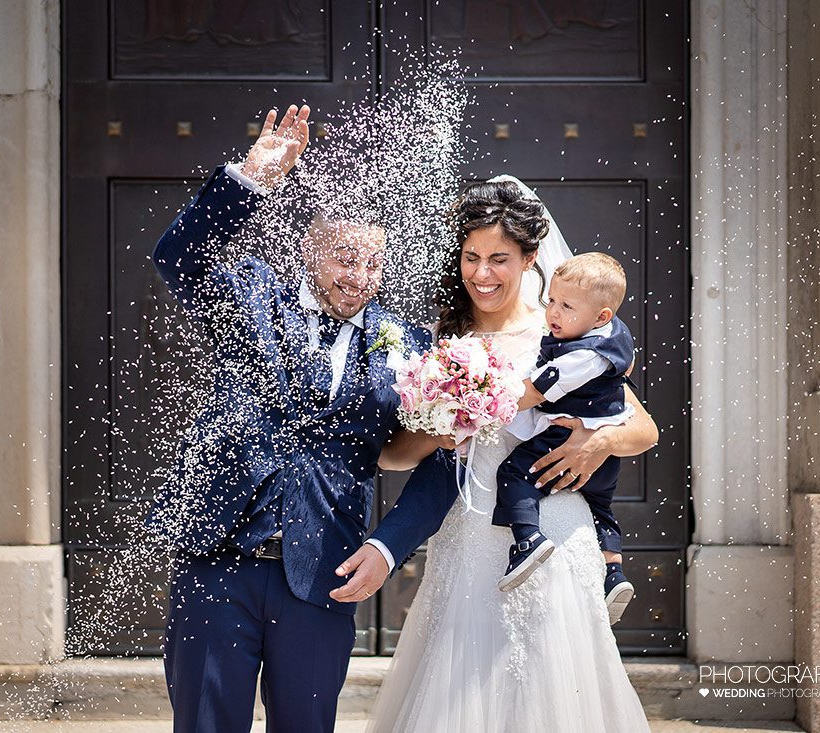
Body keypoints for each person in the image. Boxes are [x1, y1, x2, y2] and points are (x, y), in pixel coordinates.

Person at [148, 104, 455, 733]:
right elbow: (176, 257)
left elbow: (451, 457)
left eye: (373, 263)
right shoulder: (252, 296)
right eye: (345, 258)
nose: (360, 278)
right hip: (217, 560)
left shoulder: (410, 345)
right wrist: (251, 177)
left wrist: (389, 545)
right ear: (309, 247)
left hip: (324, 576)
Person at [363, 177, 657, 732]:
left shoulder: (564, 337)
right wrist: (444, 424)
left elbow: (643, 428)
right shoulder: (438, 341)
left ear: (529, 258)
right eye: (471, 258)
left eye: (499, 259)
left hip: (554, 524)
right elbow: (396, 457)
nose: (482, 274)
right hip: (468, 534)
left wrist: (596, 442)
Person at [493, 252, 638, 625]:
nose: (553, 313)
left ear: (600, 316)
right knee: (601, 510)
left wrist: (486, 401)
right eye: (552, 301)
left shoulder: (580, 357)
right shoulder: (613, 336)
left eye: (567, 306)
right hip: (606, 456)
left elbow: (537, 390)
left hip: (564, 440)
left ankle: (527, 539)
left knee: (514, 474)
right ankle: (613, 573)